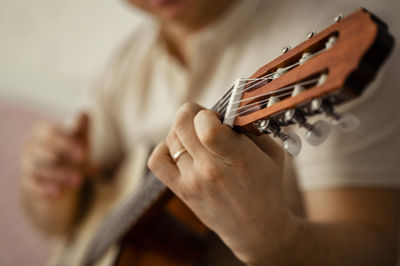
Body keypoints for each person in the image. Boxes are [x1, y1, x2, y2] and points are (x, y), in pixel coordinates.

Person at [20, 0, 400, 265]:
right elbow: (59, 226)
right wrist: (46, 189)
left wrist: (279, 246)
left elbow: (377, 249)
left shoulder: (319, 33)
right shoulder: (126, 64)